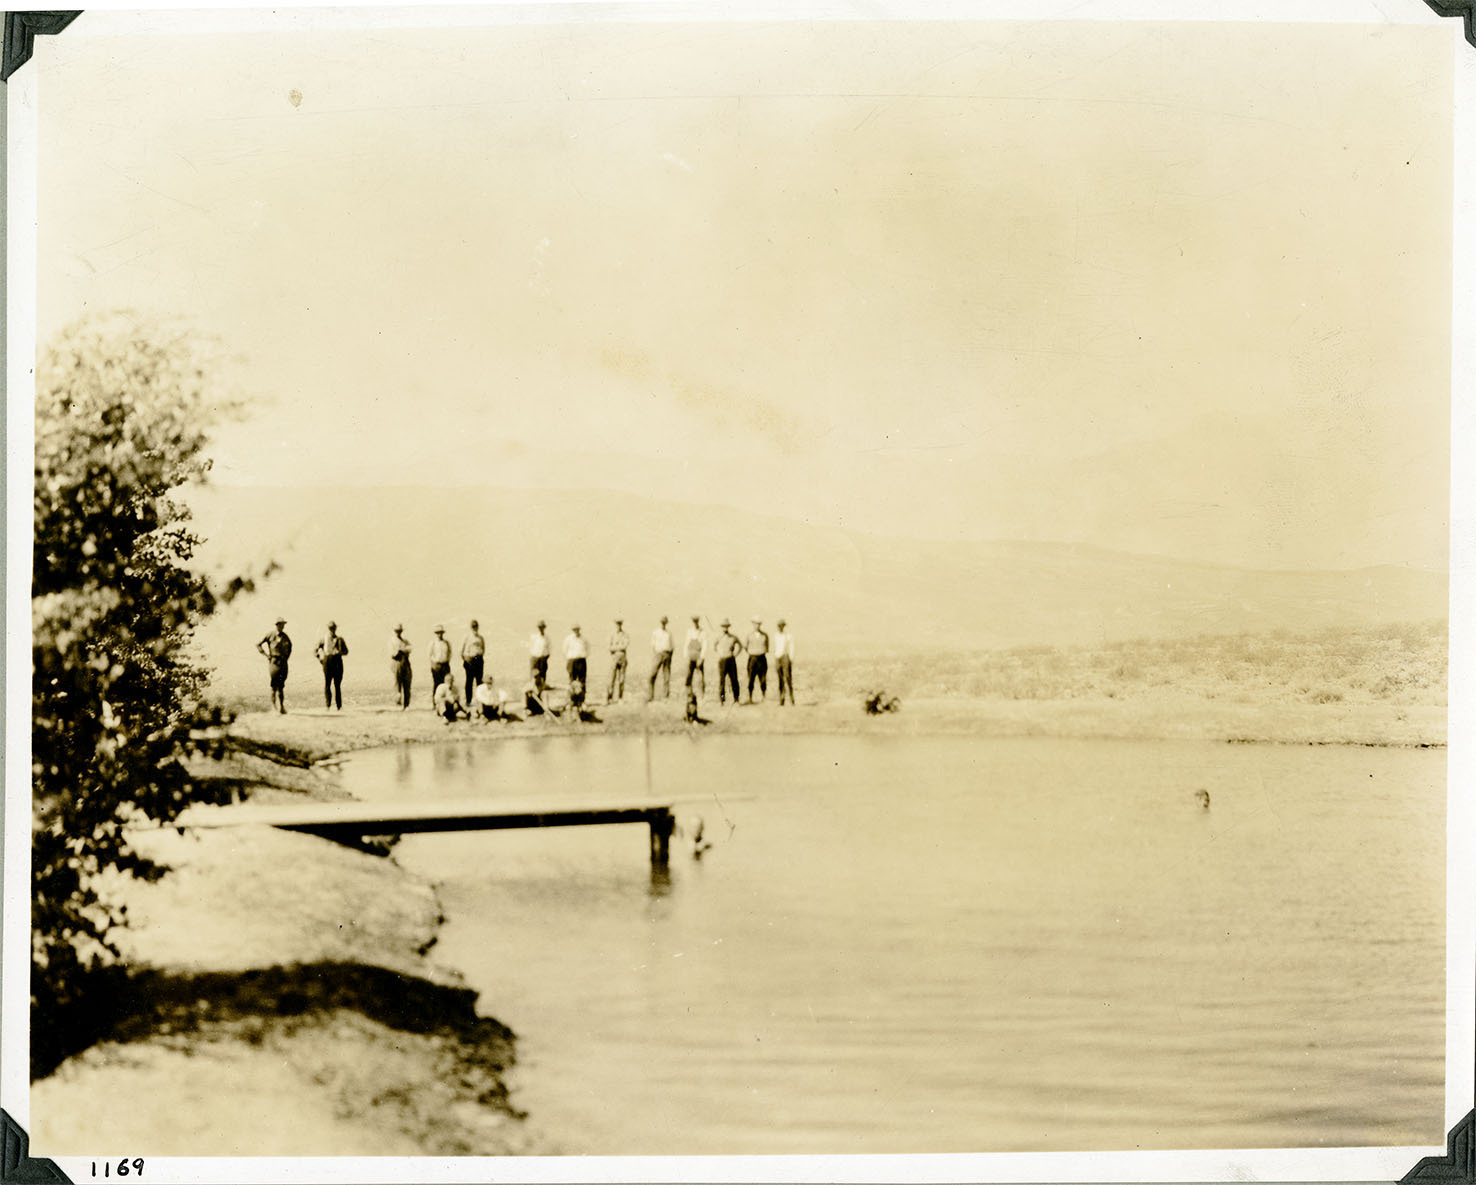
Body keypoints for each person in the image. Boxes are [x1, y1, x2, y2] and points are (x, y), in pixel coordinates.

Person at [257, 618, 292, 714]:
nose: (282, 626)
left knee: (281, 686)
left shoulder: (285, 636)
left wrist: (286, 657)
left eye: (283, 625)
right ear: (277, 625)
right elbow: (258, 644)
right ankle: (273, 706)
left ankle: (281, 706)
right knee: (274, 685)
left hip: (283, 662)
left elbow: (290, 647)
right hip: (274, 661)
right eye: (280, 624)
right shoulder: (270, 635)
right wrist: (266, 655)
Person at [314, 621, 349, 711]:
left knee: (337, 685)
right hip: (327, 661)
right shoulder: (323, 639)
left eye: (333, 628)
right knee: (327, 684)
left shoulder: (340, 639)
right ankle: (328, 705)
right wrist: (320, 659)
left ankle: (339, 706)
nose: (332, 630)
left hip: (337, 661)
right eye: (331, 628)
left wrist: (339, 652)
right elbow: (315, 650)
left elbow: (346, 651)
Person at [713, 618, 742, 704]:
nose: (725, 628)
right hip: (722, 660)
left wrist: (735, 654)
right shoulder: (718, 637)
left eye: (726, 627)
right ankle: (722, 700)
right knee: (722, 680)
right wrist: (719, 653)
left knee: (734, 680)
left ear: (728, 627)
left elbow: (740, 646)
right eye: (723, 627)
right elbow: (714, 647)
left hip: (731, 660)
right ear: (722, 627)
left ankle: (736, 699)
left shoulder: (733, 637)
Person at [648, 615, 673, 700]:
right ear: (660, 623)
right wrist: (656, 655)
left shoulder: (669, 633)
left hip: (667, 654)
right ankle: (650, 696)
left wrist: (669, 655)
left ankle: (665, 696)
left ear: (666, 623)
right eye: (662, 622)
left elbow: (672, 646)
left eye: (665, 622)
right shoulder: (656, 632)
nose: (663, 624)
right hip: (658, 654)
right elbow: (652, 645)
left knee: (666, 676)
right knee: (652, 675)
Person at [745, 616, 770, 703]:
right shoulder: (749, 635)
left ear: (760, 625)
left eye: (758, 624)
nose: (757, 626)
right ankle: (750, 698)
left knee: (763, 678)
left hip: (762, 659)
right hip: (752, 659)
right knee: (751, 678)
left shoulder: (765, 635)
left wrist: (760, 651)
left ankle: (764, 697)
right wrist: (753, 652)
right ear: (753, 624)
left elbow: (767, 648)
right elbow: (746, 647)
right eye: (755, 624)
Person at [461, 619, 486, 702]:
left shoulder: (481, 638)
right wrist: (466, 659)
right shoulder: (467, 637)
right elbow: (462, 650)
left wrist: (479, 657)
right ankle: (468, 701)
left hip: (478, 660)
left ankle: (480, 701)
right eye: (473, 627)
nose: (475, 628)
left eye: (476, 626)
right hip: (470, 660)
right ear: (471, 627)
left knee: (479, 681)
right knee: (469, 681)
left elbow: (483, 649)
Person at [564, 624, 588, 708]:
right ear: (572, 630)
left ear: (579, 630)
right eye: (574, 629)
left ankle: (582, 701)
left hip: (581, 660)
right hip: (572, 661)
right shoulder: (569, 639)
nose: (576, 631)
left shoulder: (583, 639)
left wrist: (583, 656)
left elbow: (588, 649)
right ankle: (572, 701)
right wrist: (570, 659)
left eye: (577, 629)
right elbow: (564, 650)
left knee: (582, 681)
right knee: (572, 681)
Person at [389, 625, 413, 710]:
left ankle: (406, 704)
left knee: (407, 683)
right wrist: (401, 651)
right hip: (397, 662)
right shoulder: (392, 641)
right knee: (397, 683)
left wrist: (402, 650)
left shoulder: (405, 641)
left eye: (399, 631)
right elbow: (393, 653)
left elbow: (410, 649)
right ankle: (398, 703)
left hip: (405, 662)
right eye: (397, 631)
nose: (398, 632)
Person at [683, 616, 706, 699]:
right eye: (694, 622)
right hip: (690, 655)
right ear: (693, 622)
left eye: (696, 621)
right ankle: (689, 693)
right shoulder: (689, 631)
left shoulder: (702, 631)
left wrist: (702, 657)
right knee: (688, 675)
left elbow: (704, 644)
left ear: (698, 622)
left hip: (698, 655)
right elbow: (686, 643)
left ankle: (701, 695)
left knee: (700, 676)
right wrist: (686, 656)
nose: (695, 623)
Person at [607, 618, 629, 702]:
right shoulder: (612, 635)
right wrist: (618, 647)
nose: (618, 625)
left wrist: (615, 647)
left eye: (620, 624)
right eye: (617, 624)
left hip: (622, 657)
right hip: (614, 658)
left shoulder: (625, 635)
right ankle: (610, 698)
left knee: (621, 679)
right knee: (611, 678)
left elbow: (625, 646)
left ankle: (620, 697)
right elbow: (609, 647)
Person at [428, 625, 452, 703]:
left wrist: (447, 661)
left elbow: (450, 653)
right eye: (438, 633)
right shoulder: (433, 643)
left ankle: (446, 702)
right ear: (436, 633)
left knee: (446, 684)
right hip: (436, 665)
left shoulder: (446, 643)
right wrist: (434, 664)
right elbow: (430, 654)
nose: (440, 634)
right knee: (437, 684)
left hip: (445, 665)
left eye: (441, 633)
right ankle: (435, 703)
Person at [774, 618, 795, 707]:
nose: (780, 627)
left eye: (782, 626)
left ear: (784, 626)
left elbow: (791, 648)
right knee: (780, 679)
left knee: (788, 678)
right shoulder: (775, 636)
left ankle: (791, 698)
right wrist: (775, 656)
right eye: (779, 626)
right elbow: (775, 647)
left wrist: (791, 659)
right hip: (778, 658)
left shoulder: (788, 636)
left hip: (786, 657)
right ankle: (781, 699)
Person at [529, 620, 551, 694]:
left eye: (542, 627)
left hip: (543, 658)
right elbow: (530, 646)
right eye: (539, 627)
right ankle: (533, 694)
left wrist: (546, 656)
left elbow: (549, 648)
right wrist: (534, 657)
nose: (541, 629)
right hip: (535, 658)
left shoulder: (547, 637)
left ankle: (541, 693)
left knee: (542, 676)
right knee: (534, 676)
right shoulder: (534, 636)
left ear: (544, 628)